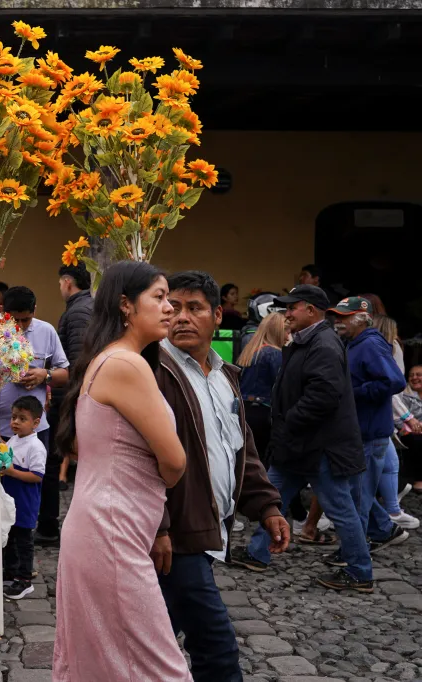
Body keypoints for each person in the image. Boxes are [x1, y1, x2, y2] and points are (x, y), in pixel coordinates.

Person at [53, 261, 190, 682]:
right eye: (160, 297)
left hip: (104, 526)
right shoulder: (127, 365)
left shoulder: (110, 359)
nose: (171, 309)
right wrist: (162, 480)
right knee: (159, 666)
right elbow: (175, 460)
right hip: (111, 531)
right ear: (126, 306)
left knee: (108, 662)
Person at [153, 271, 288, 682]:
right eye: (173, 307)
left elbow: (240, 450)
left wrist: (266, 505)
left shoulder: (226, 376)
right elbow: (138, 458)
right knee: (217, 648)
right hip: (178, 534)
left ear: (216, 316)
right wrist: (159, 524)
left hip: (211, 529)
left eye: (193, 308)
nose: (181, 317)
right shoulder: (152, 372)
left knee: (152, 636)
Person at [230, 285, 374, 592]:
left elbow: (322, 397)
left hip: (317, 447)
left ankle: (361, 571)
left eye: (292, 307)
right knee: (273, 495)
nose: (286, 313)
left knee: (341, 508)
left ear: (311, 310)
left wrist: (288, 423)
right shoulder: (310, 341)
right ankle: (257, 553)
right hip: (298, 444)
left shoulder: (322, 344)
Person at [328, 297, 411, 544]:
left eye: (344, 317)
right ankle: (382, 531)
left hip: (370, 432)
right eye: (337, 316)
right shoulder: (354, 342)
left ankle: (355, 557)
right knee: (357, 493)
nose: (338, 322)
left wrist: (355, 393)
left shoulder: (371, 344)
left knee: (359, 498)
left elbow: (395, 381)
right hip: (360, 432)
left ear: (360, 319)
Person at [42, 265, 92, 543]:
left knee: (53, 460)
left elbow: (77, 363)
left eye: (60, 283)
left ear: (67, 282)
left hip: (68, 396)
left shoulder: (78, 312)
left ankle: (50, 525)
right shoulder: (83, 307)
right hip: (68, 395)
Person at [0, 287, 69, 451]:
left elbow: (65, 374)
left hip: (35, 430)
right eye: (15, 321)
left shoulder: (46, 331)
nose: (21, 326)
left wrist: (45, 375)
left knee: (33, 476)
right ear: (2, 311)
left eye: (26, 320)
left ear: (34, 310)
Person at [373, 314, 419, 527]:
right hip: (375, 417)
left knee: (390, 463)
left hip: (378, 416)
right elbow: (393, 388)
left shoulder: (366, 348)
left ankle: (391, 510)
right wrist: (407, 418)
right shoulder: (387, 349)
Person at [0, 396, 46, 599]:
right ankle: (11, 572)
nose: (15, 422)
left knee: (23, 541)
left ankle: (25, 579)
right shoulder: (13, 440)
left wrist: (11, 472)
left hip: (25, 502)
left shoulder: (35, 447)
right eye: (13, 417)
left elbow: (36, 476)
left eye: (22, 418)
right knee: (9, 537)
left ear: (36, 422)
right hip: (10, 500)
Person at [237, 312, 287, 469]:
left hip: (245, 411)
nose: (288, 335)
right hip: (264, 413)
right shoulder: (274, 353)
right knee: (263, 463)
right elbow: (282, 388)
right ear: (278, 331)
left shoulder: (251, 350)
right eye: (286, 330)